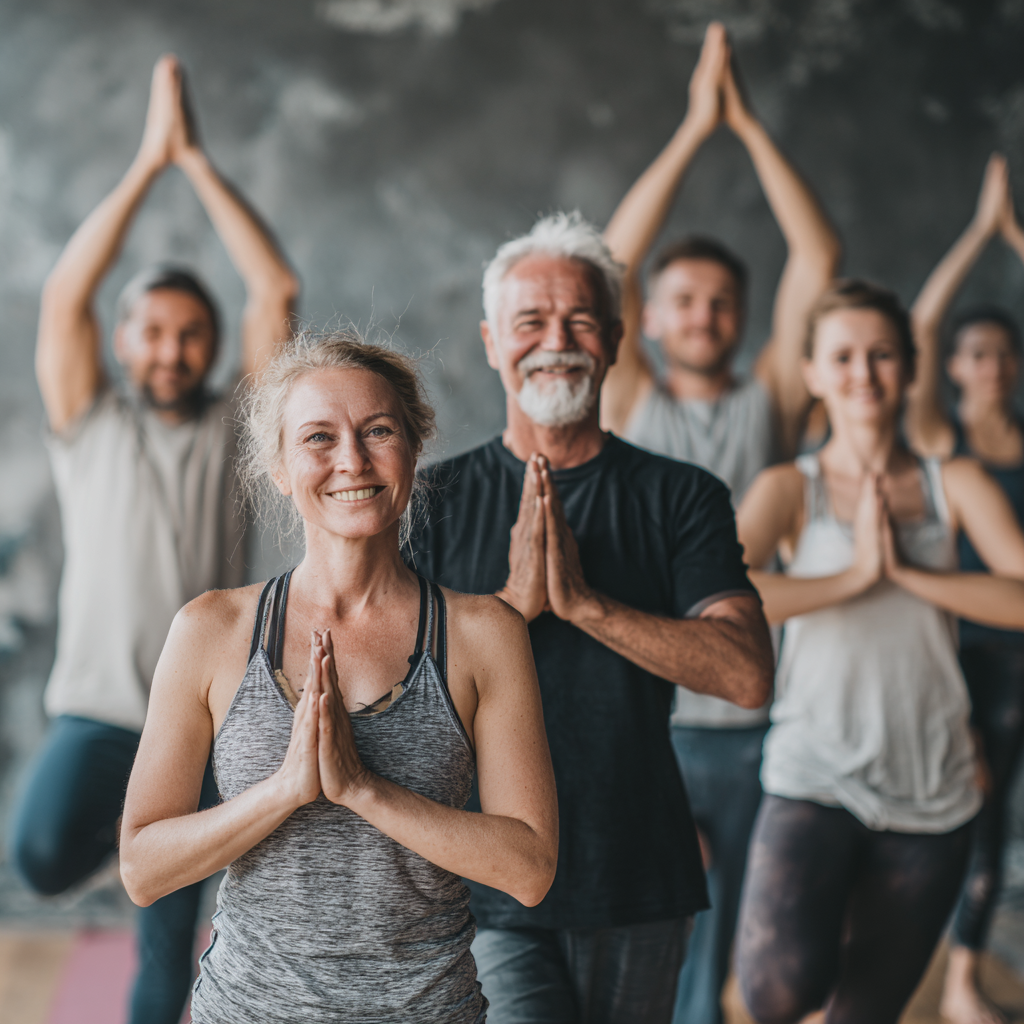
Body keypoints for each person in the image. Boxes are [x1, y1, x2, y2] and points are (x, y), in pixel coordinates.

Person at [119, 330, 559, 1024]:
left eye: (378, 430)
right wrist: (283, 792)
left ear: (414, 448)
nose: (352, 459)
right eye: (318, 437)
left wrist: (363, 789)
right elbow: (143, 868)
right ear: (280, 468)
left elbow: (530, 868)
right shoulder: (210, 631)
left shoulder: (484, 635)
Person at [407, 211, 775, 1024]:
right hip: (485, 881)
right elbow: (394, 697)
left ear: (614, 337)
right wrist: (512, 610)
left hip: (639, 872)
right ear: (492, 340)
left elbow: (746, 673)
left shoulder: (682, 496)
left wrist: (585, 604)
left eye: (579, 318)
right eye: (531, 321)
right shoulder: (430, 503)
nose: (556, 339)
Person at [10, 55, 299, 1024]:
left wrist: (198, 163)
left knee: (168, 940)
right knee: (42, 856)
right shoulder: (88, 420)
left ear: (209, 346)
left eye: (188, 333)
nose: (169, 349)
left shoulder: (238, 426)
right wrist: (147, 163)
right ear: (126, 341)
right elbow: (64, 298)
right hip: (96, 710)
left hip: (200, 724)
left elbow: (275, 289)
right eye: (153, 331)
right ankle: (146, 844)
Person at [600, 22, 840, 1024]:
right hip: (646, 715)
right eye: (683, 301)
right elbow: (609, 258)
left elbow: (818, 254)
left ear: (740, 320)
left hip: (753, 720)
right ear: (647, 320)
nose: (702, 315)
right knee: (656, 931)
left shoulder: (772, 402)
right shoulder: (628, 401)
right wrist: (695, 127)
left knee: (739, 936)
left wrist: (746, 128)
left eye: (720, 303)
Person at [733, 279, 1024, 1024]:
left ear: (910, 368)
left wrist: (909, 574)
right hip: (815, 770)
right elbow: (724, 597)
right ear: (813, 375)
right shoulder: (787, 489)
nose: (864, 372)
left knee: (861, 1015)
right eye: (844, 356)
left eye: (883, 354)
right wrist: (855, 576)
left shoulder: (952, 481)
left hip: (934, 785)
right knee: (776, 992)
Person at [904, 152, 1024, 1024]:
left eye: (1002, 353)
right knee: (971, 813)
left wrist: (1017, 238)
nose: (989, 365)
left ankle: (965, 975)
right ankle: (950, 979)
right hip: (964, 656)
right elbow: (921, 322)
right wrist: (982, 234)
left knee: (1001, 814)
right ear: (953, 367)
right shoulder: (941, 439)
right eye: (975, 353)